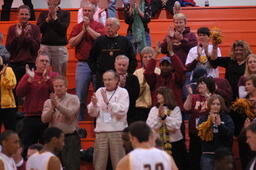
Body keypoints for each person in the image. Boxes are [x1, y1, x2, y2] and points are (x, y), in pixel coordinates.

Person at [16, 53, 58, 158]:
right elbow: (19, 93)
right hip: (30, 117)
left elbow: (58, 93)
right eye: (42, 61)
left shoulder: (54, 76)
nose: (44, 63)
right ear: (36, 63)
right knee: (27, 149)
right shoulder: (29, 75)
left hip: (48, 118)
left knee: (48, 150)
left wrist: (48, 80)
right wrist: (29, 80)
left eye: (46, 61)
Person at [69, 1, 105, 121]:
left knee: (99, 95)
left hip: (97, 64)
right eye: (85, 10)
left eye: (89, 11)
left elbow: (101, 39)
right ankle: (79, 123)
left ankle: (98, 121)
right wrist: (83, 31)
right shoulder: (77, 27)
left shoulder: (99, 25)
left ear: (94, 12)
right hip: (82, 64)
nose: (87, 12)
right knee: (80, 96)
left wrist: (88, 28)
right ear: (82, 12)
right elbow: (71, 43)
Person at [87, 70, 129, 170]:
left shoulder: (123, 92)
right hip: (101, 132)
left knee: (119, 164)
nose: (107, 82)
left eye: (109, 79)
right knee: (99, 164)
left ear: (116, 80)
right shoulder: (99, 91)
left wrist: (108, 103)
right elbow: (92, 113)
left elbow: (122, 111)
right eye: (105, 80)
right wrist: (93, 104)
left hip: (117, 132)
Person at [42, 75, 80, 170]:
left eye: (60, 86)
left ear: (66, 87)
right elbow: (44, 119)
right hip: (53, 140)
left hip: (69, 137)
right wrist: (52, 108)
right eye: (56, 86)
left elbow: (70, 114)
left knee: (72, 166)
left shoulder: (73, 98)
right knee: (51, 166)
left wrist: (57, 105)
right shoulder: (48, 102)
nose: (58, 88)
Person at [89, 17, 137, 90]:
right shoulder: (99, 41)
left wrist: (127, 73)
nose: (108, 28)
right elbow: (91, 58)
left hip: (120, 77)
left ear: (118, 27)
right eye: (107, 25)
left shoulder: (125, 41)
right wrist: (96, 72)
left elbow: (133, 60)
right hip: (102, 77)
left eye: (111, 25)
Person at [146, 87, 187, 170]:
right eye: (157, 94)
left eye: (159, 94)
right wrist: (158, 117)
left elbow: (175, 127)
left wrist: (164, 117)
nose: (157, 96)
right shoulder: (154, 109)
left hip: (175, 145)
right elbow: (150, 127)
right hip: (158, 144)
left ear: (166, 95)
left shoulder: (176, 109)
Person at [183, 76, 216, 170]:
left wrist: (207, 97)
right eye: (199, 83)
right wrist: (189, 95)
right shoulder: (195, 97)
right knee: (195, 160)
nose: (199, 85)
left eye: (202, 83)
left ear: (209, 85)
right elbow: (186, 108)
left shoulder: (214, 97)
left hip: (208, 134)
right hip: (195, 132)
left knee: (206, 161)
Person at [144, 41, 186, 110]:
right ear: (159, 66)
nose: (165, 67)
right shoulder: (155, 79)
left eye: (167, 65)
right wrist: (155, 54)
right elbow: (147, 73)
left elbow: (181, 70)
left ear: (172, 67)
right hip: (157, 110)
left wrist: (171, 53)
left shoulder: (176, 78)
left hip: (174, 111)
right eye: (163, 65)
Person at [197, 94, 234, 170]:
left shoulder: (227, 118)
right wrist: (209, 123)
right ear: (209, 105)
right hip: (207, 155)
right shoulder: (203, 118)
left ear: (221, 106)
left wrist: (220, 125)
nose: (215, 106)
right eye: (213, 104)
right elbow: (200, 135)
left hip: (223, 156)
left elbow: (230, 135)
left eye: (218, 104)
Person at [6, 5, 40, 84]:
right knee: (15, 90)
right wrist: (17, 36)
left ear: (30, 16)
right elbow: (9, 48)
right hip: (14, 64)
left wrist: (28, 37)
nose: (24, 16)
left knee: (29, 90)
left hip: (30, 64)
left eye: (26, 14)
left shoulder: (35, 28)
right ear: (17, 15)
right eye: (22, 14)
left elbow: (36, 48)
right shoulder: (12, 28)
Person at [37, 0, 70, 76]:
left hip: (59, 47)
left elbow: (63, 30)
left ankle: (60, 88)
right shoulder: (43, 13)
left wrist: (55, 18)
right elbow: (39, 29)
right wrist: (47, 20)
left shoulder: (65, 13)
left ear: (58, 1)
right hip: (45, 46)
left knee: (59, 75)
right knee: (42, 72)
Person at [133, 46, 160, 121]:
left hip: (155, 106)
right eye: (145, 57)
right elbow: (135, 93)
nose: (148, 59)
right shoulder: (137, 73)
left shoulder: (158, 71)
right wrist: (143, 83)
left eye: (150, 57)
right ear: (141, 59)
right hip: (141, 107)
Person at [114, 55, 140, 124]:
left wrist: (124, 87)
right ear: (115, 65)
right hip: (111, 114)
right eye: (119, 64)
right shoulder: (108, 77)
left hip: (129, 114)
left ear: (127, 66)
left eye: (124, 65)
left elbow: (135, 96)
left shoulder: (133, 78)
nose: (121, 67)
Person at [0, 56, 17, 131]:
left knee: (10, 131)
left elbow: (11, 85)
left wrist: (4, 75)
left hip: (8, 106)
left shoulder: (8, 70)